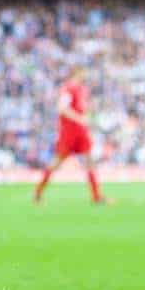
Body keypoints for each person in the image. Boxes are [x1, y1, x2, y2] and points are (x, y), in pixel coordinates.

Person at [33, 65, 109, 205]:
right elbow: (62, 108)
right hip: (69, 132)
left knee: (89, 161)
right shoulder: (68, 89)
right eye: (83, 72)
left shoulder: (82, 89)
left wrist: (86, 117)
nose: (86, 75)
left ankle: (96, 196)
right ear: (77, 72)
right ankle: (38, 192)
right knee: (57, 162)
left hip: (81, 131)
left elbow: (82, 108)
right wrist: (79, 118)